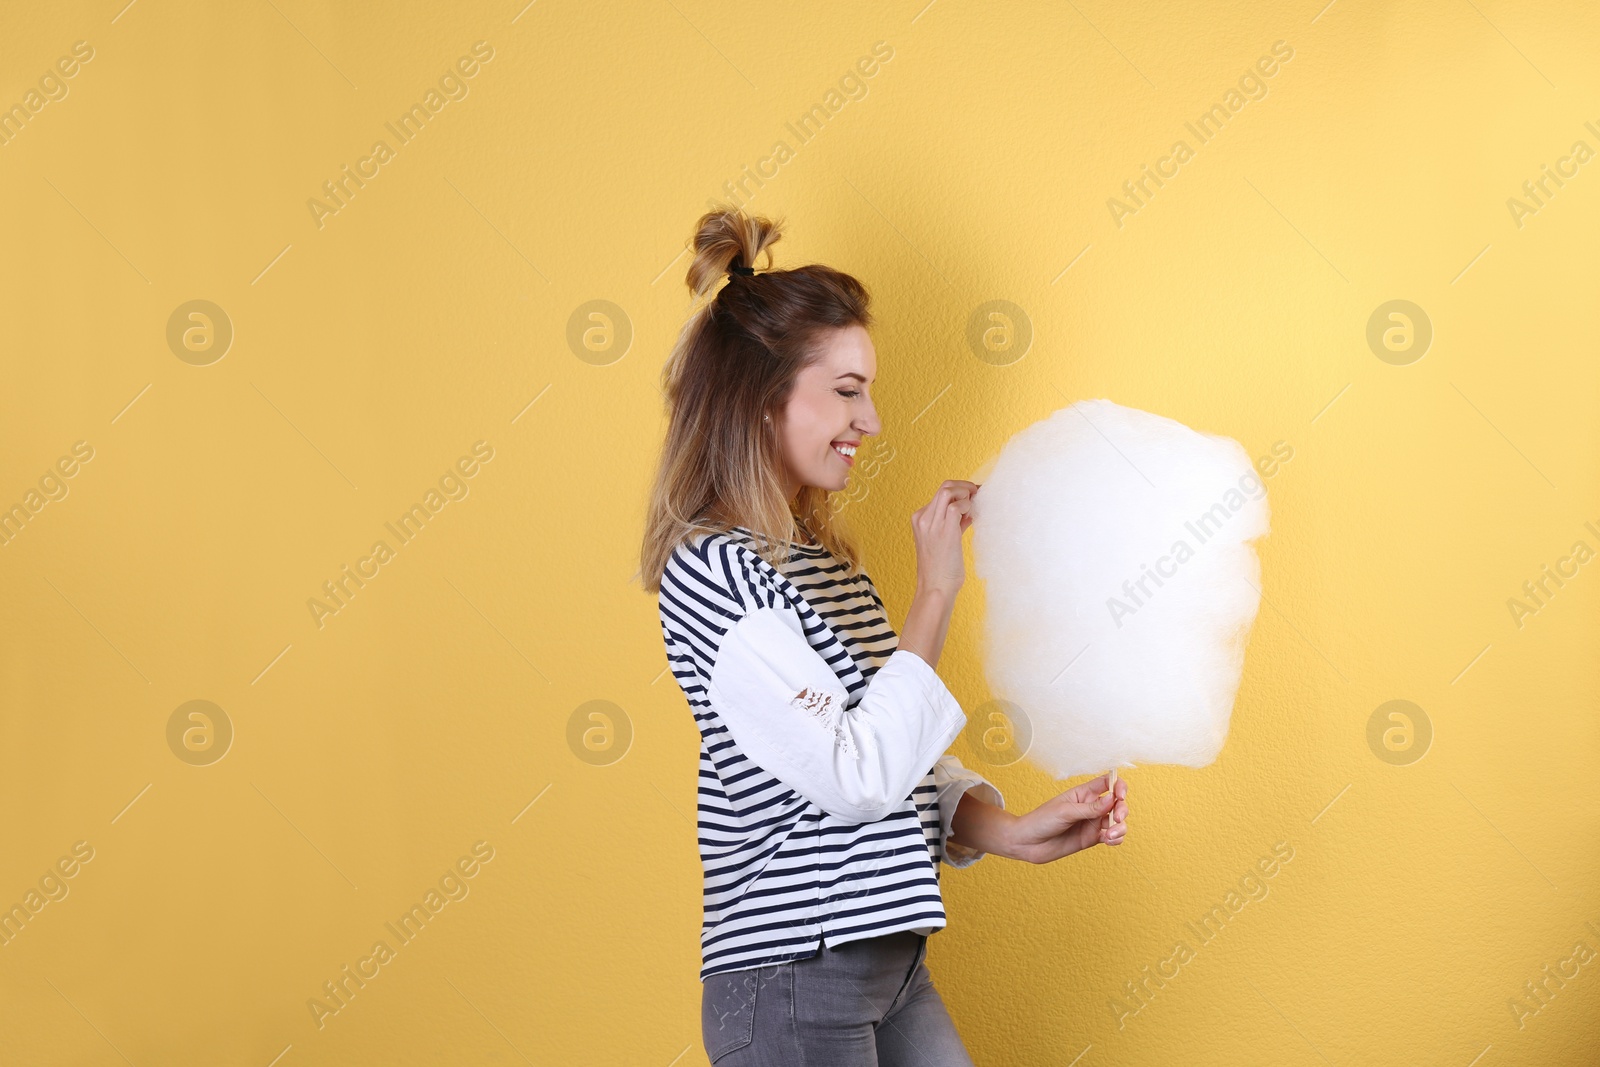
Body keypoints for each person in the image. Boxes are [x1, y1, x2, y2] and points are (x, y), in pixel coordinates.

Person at [638, 207, 1130, 1066]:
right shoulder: (714, 573)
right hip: (792, 974)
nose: (871, 420)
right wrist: (936, 590)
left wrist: (1005, 828)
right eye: (846, 389)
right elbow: (854, 775)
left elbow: (892, 757)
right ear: (761, 399)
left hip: (885, 964)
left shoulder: (818, 563)